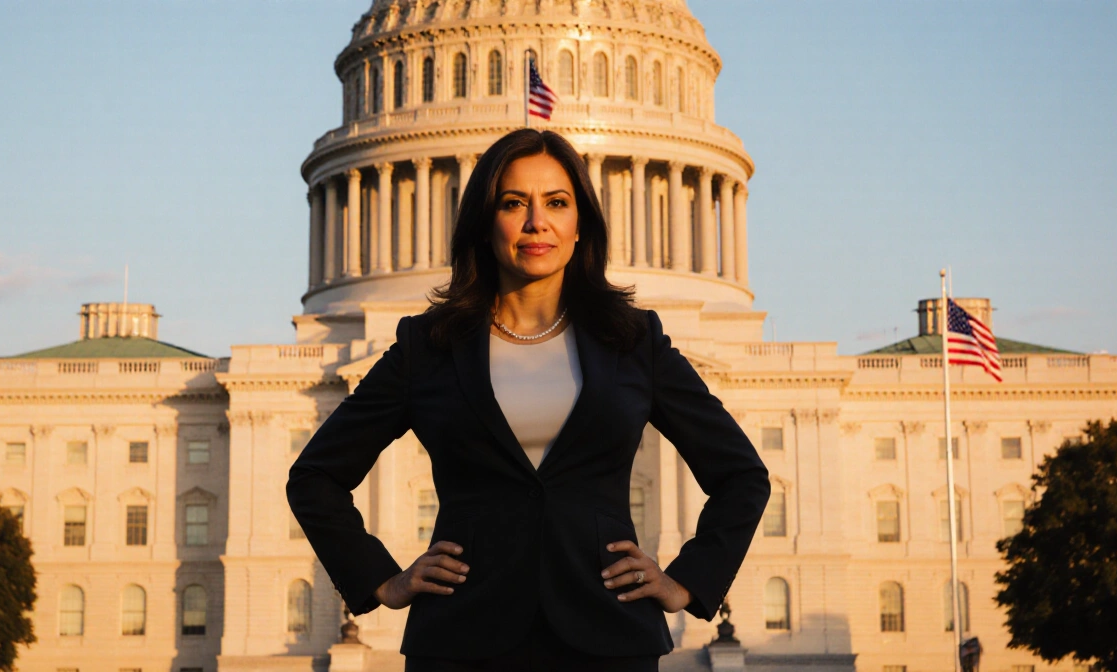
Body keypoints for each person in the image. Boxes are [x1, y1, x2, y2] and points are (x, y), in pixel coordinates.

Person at [287, 129, 769, 671]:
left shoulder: (635, 343)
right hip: (462, 638)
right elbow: (315, 477)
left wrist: (688, 581)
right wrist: (380, 579)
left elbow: (742, 475)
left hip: (609, 636)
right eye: (514, 203)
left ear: (580, 222)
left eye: (557, 203)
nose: (536, 222)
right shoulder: (429, 347)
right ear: (483, 223)